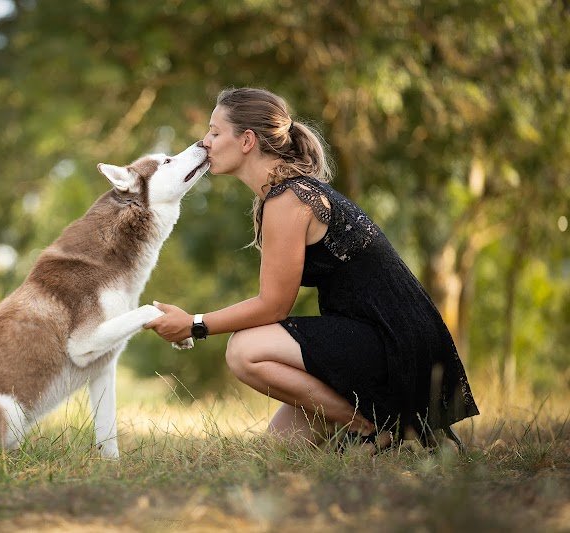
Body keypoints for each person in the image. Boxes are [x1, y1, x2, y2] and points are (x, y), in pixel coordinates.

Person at [144, 87, 479, 452]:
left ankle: (372, 428)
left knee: (244, 350)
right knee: (278, 450)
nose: (204, 142)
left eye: (214, 131)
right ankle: (413, 432)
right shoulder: (285, 194)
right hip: (370, 342)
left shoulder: (289, 198)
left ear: (247, 141)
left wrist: (194, 323)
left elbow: (273, 306)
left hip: (395, 348)